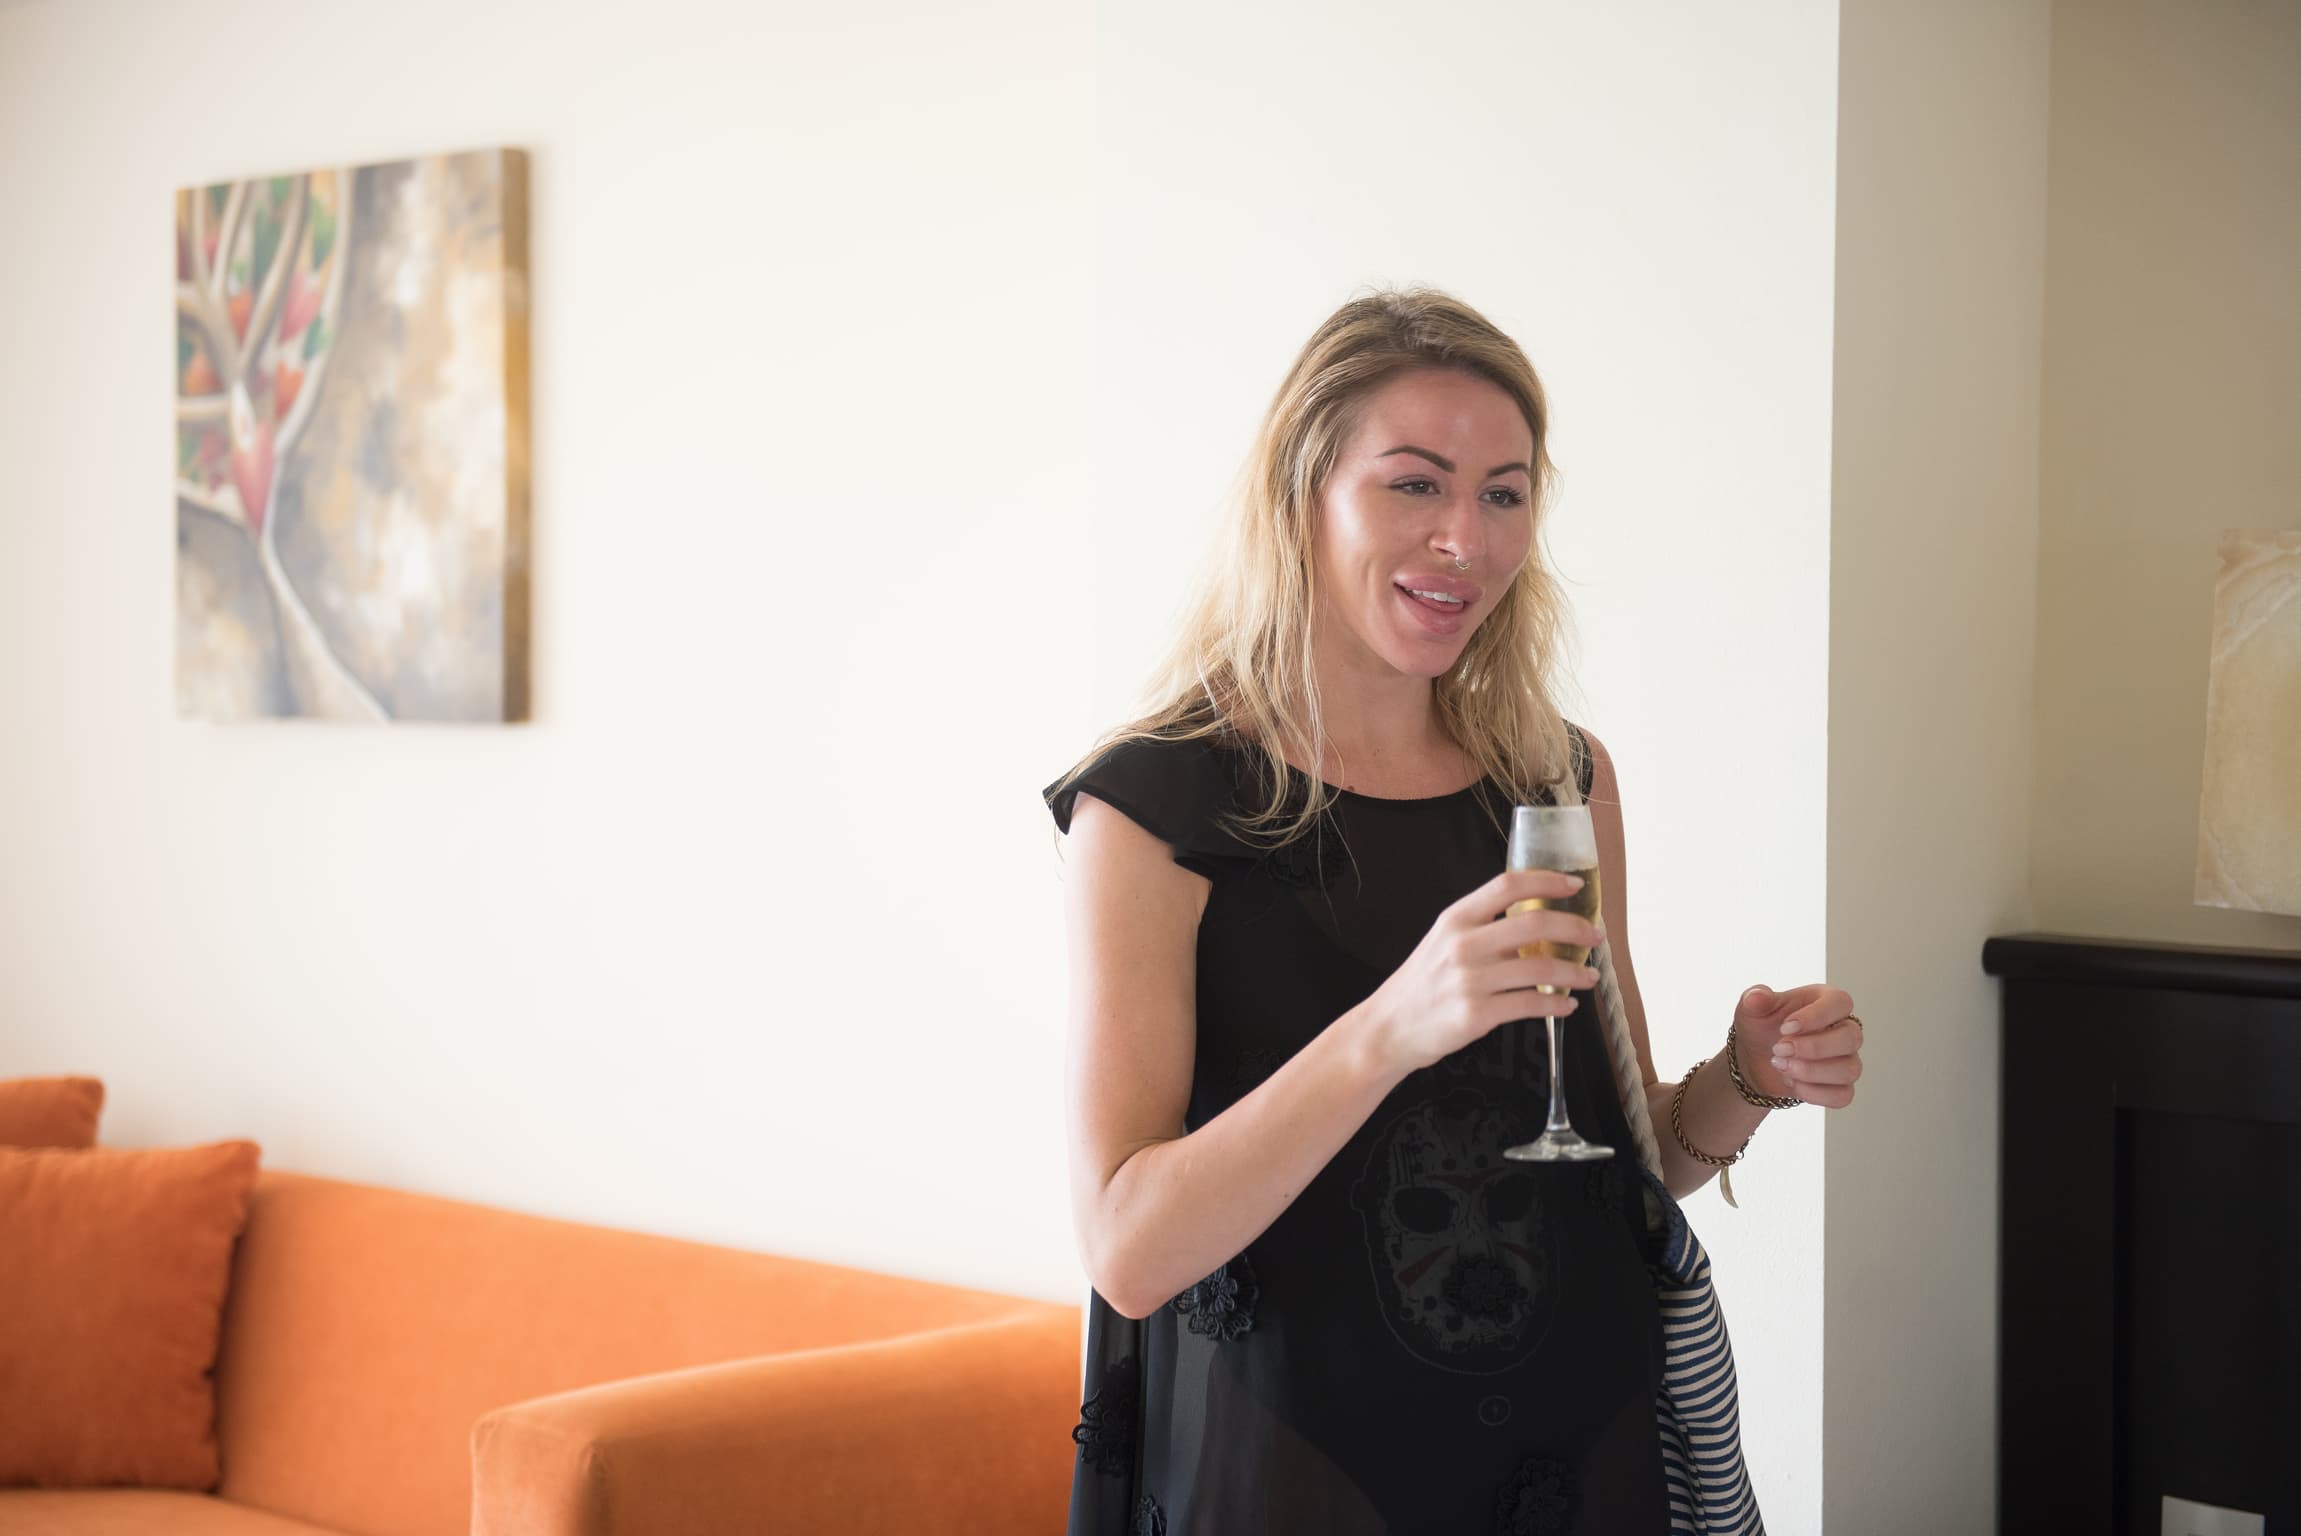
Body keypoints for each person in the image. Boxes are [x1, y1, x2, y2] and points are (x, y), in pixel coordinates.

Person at [1042, 288, 1866, 1535]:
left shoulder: (1558, 780)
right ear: (1303, 494)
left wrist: (1745, 1078)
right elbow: (1129, 1249)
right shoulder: (1157, 807)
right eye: (1415, 486)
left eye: (1504, 493)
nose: (1466, 543)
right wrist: (1394, 1025)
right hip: (1296, 1477)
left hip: (1572, 1461)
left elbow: (1624, 1168)